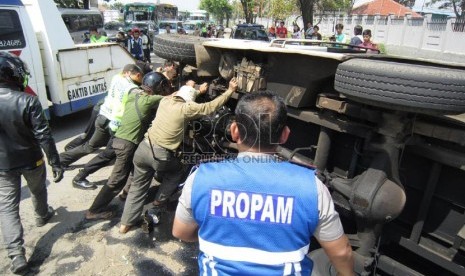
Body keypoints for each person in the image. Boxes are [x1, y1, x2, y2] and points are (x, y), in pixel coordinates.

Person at [172, 91, 355, 276]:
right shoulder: (312, 187)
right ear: (284, 135)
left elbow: (181, 232)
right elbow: (341, 252)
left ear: (234, 131)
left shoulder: (200, 178)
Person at [118, 78, 237, 234]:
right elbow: (210, 107)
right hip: (160, 155)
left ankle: (125, 224)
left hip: (142, 150)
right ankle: (158, 203)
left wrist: (195, 88)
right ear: (189, 100)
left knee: (137, 187)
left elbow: (178, 93)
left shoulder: (165, 101)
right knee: (176, 172)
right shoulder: (186, 109)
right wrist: (230, 90)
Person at [0, 52, 64, 274]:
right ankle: (41, 215)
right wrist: (55, 162)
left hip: (3, 165)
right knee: (38, 191)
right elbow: (44, 136)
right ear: (12, 75)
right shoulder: (28, 100)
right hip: (31, 159)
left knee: (8, 208)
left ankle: (16, 254)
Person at [85, 72, 171, 220]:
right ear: (157, 87)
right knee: (116, 180)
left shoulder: (133, 95)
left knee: (133, 169)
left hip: (117, 139)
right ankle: (94, 210)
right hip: (127, 144)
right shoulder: (150, 100)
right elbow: (171, 99)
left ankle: (126, 194)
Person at [60, 64, 144, 190]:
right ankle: (79, 175)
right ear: (137, 75)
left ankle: (62, 159)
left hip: (102, 117)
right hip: (112, 123)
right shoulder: (131, 89)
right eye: (141, 77)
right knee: (105, 152)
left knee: (90, 146)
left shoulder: (117, 78)